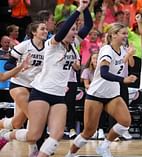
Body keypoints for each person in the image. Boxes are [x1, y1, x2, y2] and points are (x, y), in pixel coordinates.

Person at [0, 1, 92, 156]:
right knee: (33, 134)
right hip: (40, 92)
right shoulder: (52, 43)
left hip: (59, 95)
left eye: (76, 30)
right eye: (72, 30)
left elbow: (88, 25)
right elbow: (62, 31)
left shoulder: (74, 43)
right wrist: (78, 10)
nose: (75, 33)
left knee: (55, 136)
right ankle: (5, 136)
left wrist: (86, 6)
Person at [65, 23, 137, 157]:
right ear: (113, 35)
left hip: (112, 94)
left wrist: (128, 56)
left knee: (125, 122)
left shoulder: (122, 50)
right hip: (97, 94)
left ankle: (104, 146)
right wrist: (123, 80)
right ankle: (71, 153)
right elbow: (104, 73)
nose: (126, 36)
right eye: (123, 33)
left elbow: (119, 65)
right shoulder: (106, 50)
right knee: (89, 132)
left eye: (126, 33)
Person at [0, 21, 48, 156]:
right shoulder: (23, 46)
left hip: (36, 87)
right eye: (42, 29)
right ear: (34, 32)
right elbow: (8, 66)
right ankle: (34, 149)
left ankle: (3, 133)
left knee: (16, 123)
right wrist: (21, 67)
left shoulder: (48, 48)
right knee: (34, 117)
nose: (45, 31)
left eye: (46, 29)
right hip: (19, 84)